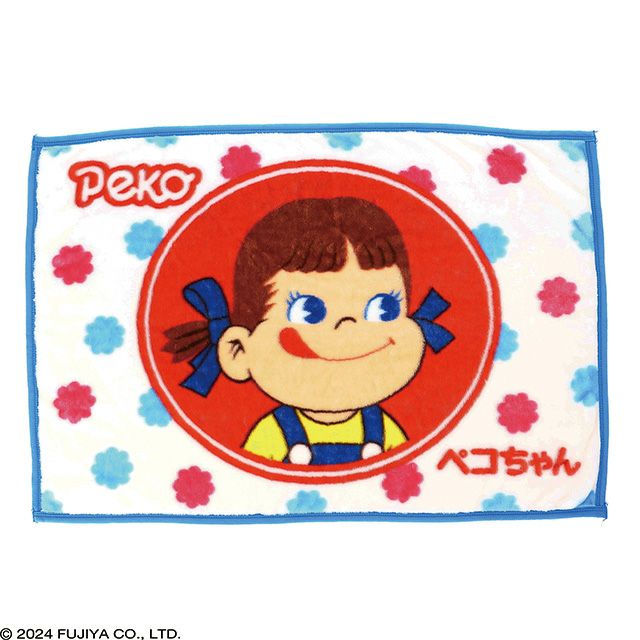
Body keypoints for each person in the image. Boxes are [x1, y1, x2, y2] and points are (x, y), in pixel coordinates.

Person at [163, 197, 454, 465]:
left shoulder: (384, 430)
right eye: (309, 312)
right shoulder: (275, 433)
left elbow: (406, 470)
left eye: (383, 309)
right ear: (239, 351)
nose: (348, 326)